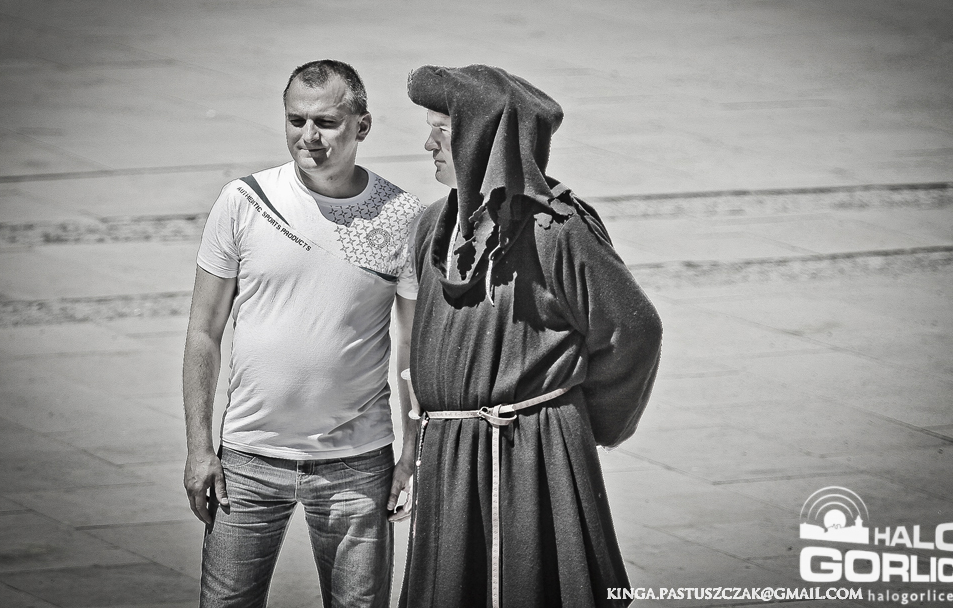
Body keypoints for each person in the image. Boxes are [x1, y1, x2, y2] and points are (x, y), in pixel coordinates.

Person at [398, 65, 663, 608]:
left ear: (482, 140)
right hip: (448, 453)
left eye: (442, 131)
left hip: (532, 453)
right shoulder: (430, 226)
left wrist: (574, 420)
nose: (429, 145)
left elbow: (633, 331)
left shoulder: (557, 230)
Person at [182, 59, 423, 608]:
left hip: (357, 464)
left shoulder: (402, 216)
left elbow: (413, 348)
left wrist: (412, 454)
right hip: (247, 459)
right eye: (296, 120)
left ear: (362, 126)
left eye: (327, 122)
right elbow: (203, 332)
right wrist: (199, 449)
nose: (308, 136)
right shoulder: (244, 201)